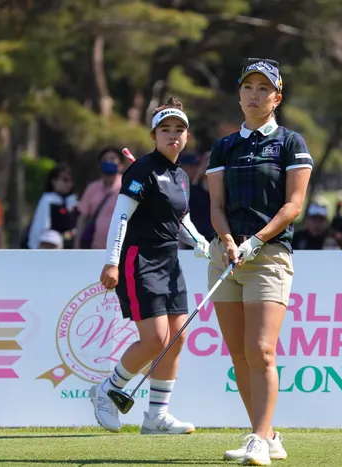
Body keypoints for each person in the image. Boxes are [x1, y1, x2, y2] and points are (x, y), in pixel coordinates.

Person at [205, 58, 313, 466]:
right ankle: (267, 435)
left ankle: (256, 440)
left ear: (277, 98)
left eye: (263, 88)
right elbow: (216, 206)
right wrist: (227, 240)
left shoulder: (290, 143)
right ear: (239, 95)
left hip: (268, 257)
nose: (254, 94)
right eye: (248, 87)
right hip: (226, 257)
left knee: (262, 350)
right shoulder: (224, 146)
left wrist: (255, 240)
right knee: (239, 355)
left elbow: (293, 205)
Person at [89, 97, 210, 436]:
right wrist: (111, 262)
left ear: (187, 136)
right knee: (156, 339)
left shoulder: (181, 176)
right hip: (139, 260)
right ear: (154, 135)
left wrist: (201, 242)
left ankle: (156, 415)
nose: (173, 135)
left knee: (176, 338)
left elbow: (181, 219)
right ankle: (107, 390)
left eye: (179, 129)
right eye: (165, 129)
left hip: (170, 262)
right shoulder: (142, 169)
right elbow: (121, 216)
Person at [74, 147, 126, 249]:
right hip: (95, 248)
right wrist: (77, 246)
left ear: (121, 166)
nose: (108, 162)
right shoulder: (92, 188)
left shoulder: (127, 187)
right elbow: (82, 218)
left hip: (121, 249)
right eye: (105, 159)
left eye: (112, 159)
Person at [26, 163, 78, 249]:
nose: (68, 184)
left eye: (70, 181)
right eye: (65, 180)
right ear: (54, 181)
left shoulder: (73, 202)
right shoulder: (48, 200)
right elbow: (43, 229)